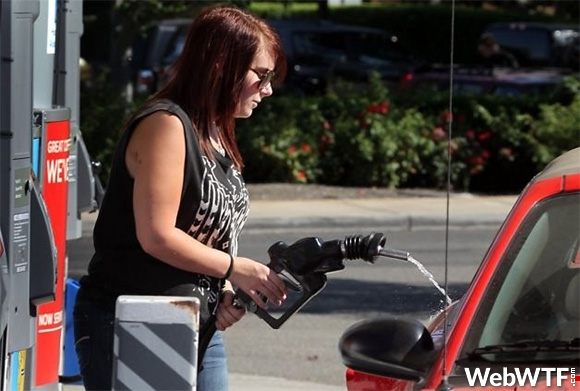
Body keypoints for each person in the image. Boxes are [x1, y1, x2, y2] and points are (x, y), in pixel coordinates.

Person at [73, 5, 288, 391]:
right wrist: (233, 268)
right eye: (262, 75)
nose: (268, 90)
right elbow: (156, 235)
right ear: (222, 64)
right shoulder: (167, 125)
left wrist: (224, 291)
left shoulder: (216, 134)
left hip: (194, 320)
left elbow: (208, 234)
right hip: (133, 317)